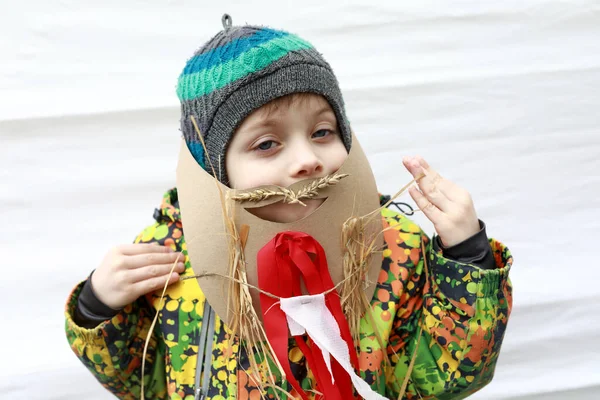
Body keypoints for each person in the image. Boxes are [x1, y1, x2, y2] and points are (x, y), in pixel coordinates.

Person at [65, 14, 513, 400]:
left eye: (322, 132)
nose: (307, 160)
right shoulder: (172, 263)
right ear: (213, 166)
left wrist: (467, 258)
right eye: (266, 143)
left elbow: (441, 381)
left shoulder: (395, 246)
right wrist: (97, 308)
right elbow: (145, 385)